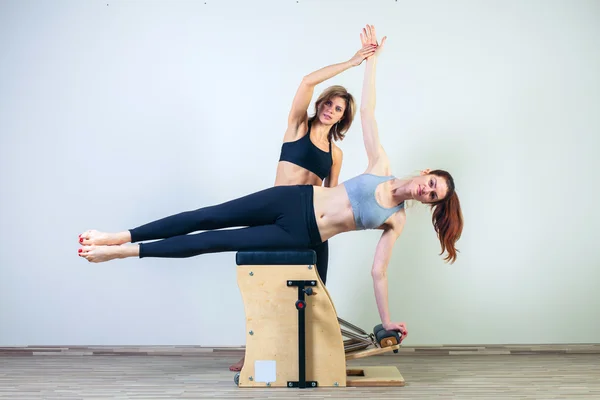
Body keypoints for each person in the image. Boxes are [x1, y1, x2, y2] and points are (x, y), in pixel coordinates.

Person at [77, 25, 463, 345]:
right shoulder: (381, 164)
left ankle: (124, 253)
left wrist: (388, 320)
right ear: (425, 173)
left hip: (300, 233)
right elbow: (369, 111)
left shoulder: (395, 221)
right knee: (206, 217)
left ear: (429, 203)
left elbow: (379, 272)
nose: (426, 191)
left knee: (217, 241)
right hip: (289, 199)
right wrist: (367, 62)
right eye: (431, 183)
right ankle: (117, 236)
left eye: (432, 196)